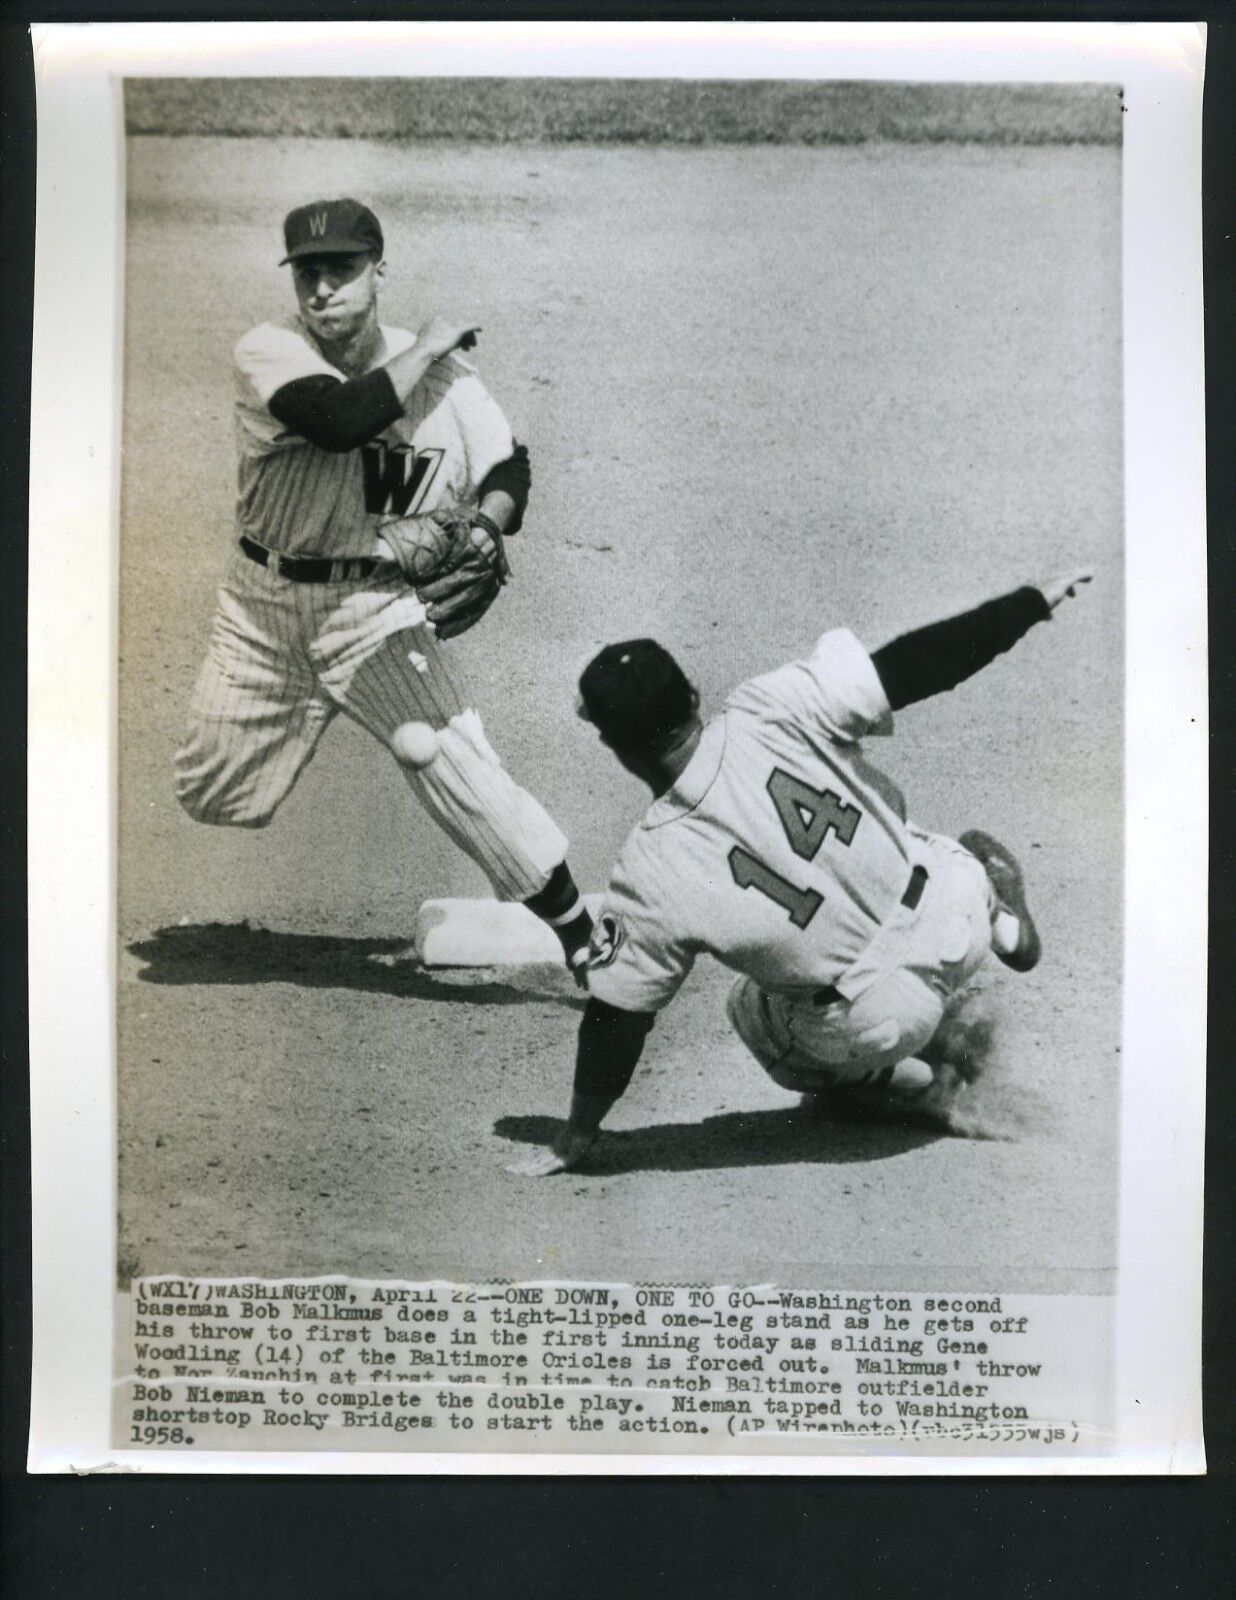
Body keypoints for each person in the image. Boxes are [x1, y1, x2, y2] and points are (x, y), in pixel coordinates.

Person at [508, 570, 1093, 1175]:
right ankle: (999, 916)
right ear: (691, 697)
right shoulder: (772, 704)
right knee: (931, 843)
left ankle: (910, 1078)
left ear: (616, 745)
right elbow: (921, 663)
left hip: (879, 1015)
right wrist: (1027, 605)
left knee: (750, 1009)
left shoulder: (649, 867)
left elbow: (617, 1020)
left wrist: (575, 1134)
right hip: (954, 900)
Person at [174, 198, 592, 972]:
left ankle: (582, 936)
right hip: (262, 612)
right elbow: (340, 419)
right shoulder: (269, 351)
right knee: (213, 793)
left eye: (342, 270)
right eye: (308, 273)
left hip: (377, 613)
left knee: (447, 758)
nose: (323, 289)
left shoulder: (442, 374)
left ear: (378, 273)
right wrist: (431, 342)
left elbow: (508, 465)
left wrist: (487, 526)